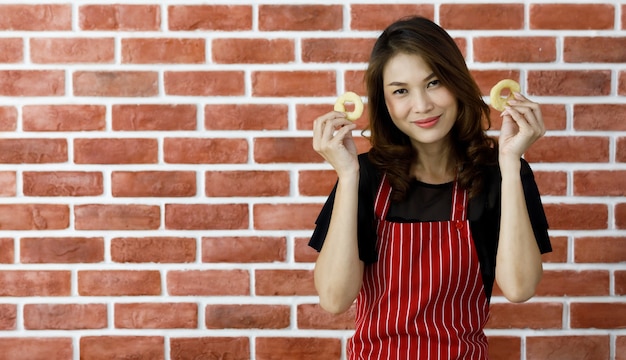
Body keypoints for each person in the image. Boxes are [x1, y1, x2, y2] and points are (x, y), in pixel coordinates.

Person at [309, 16, 552, 359]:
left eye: (434, 82)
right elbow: (334, 299)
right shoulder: (364, 176)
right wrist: (348, 177)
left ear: (456, 81)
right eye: (401, 91)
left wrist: (511, 164)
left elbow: (520, 287)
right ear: (386, 103)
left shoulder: (500, 173)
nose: (422, 105)